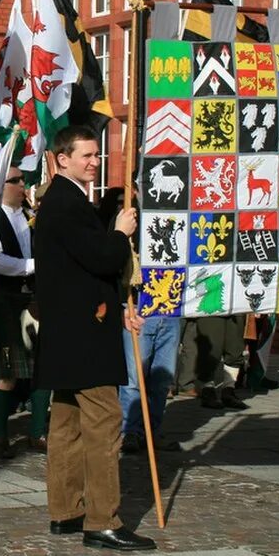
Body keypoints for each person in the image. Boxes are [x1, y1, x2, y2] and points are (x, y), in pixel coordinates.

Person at [34, 126, 155, 552]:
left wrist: (120, 307)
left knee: (67, 424)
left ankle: (66, 511)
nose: (93, 162)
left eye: (95, 155)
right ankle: (103, 520)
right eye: (85, 155)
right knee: (104, 426)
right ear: (61, 159)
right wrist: (120, 232)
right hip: (83, 336)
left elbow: (83, 273)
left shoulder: (66, 201)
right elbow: (102, 257)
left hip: (73, 330)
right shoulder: (65, 203)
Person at [0, 169, 48, 458]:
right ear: (0, 185)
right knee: (6, 372)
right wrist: (35, 265)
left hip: (35, 299)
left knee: (43, 369)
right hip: (6, 302)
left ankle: (37, 432)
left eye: (23, 181)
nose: (23, 186)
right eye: (16, 181)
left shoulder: (30, 216)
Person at [107, 187, 180, 456]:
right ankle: (130, 431)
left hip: (169, 307)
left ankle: (153, 430)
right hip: (139, 307)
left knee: (162, 378)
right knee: (134, 377)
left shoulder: (174, 216)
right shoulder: (128, 222)